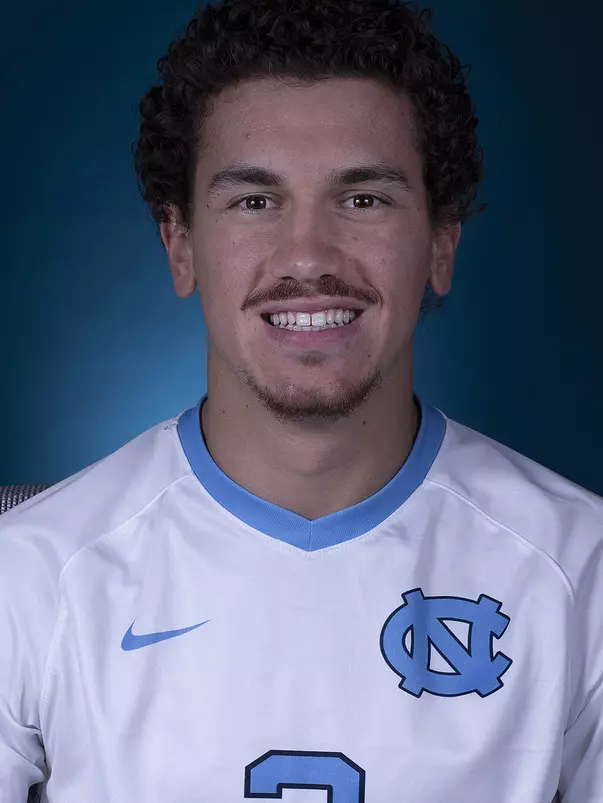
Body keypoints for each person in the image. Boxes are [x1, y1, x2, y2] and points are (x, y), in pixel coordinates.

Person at [1, 0, 601, 800]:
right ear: (179, 245)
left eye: (363, 199)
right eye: (255, 200)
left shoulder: (580, 572)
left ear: (441, 243)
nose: (309, 256)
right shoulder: (31, 571)